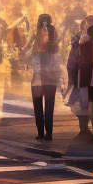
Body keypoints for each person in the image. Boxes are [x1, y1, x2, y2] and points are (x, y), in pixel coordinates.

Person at [27, 13, 60, 142]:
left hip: (38, 78)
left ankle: (41, 133)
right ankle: (48, 133)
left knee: (38, 107)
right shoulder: (54, 41)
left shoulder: (35, 38)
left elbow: (26, 55)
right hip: (50, 78)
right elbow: (58, 56)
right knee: (49, 107)